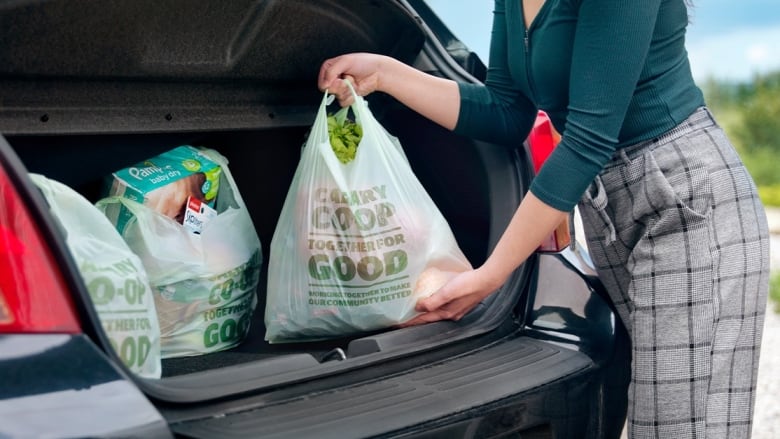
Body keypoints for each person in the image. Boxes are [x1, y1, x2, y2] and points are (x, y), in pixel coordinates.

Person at [318, 1, 770, 438]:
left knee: (679, 427)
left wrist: (490, 275)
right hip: (607, 209)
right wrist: (385, 74)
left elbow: (585, 142)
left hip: (683, 202)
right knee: (654, 413)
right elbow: (506, 110)